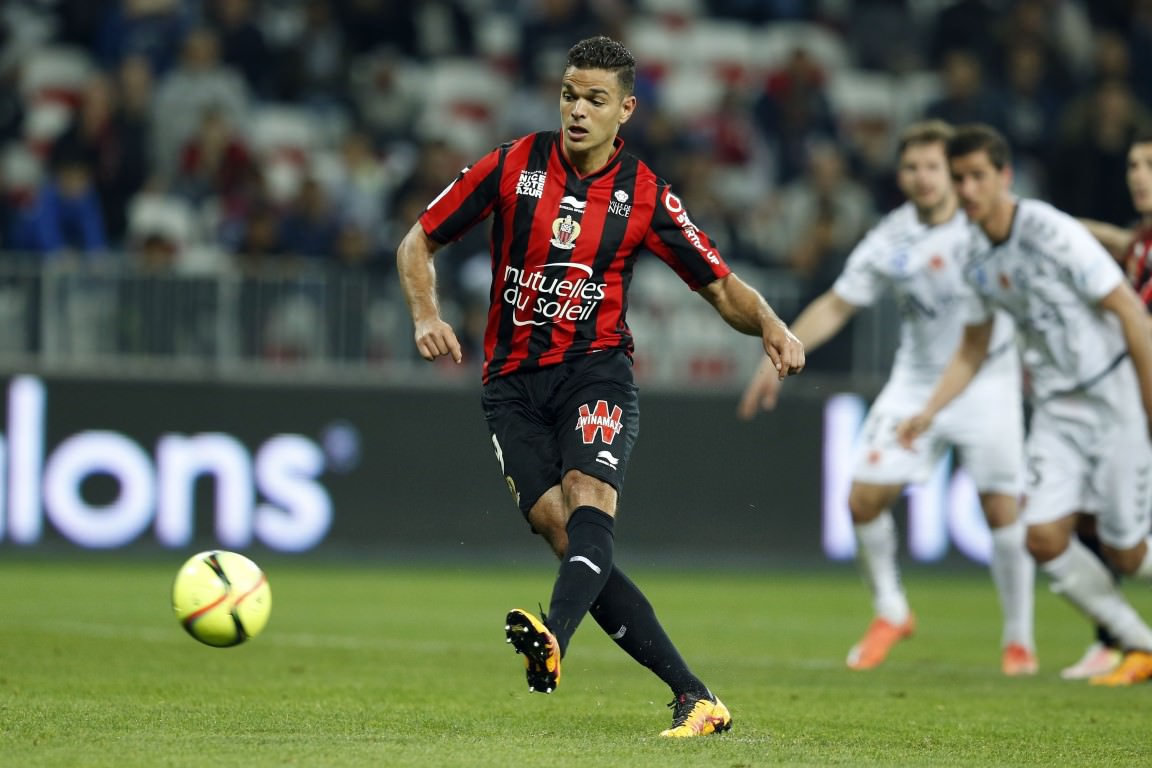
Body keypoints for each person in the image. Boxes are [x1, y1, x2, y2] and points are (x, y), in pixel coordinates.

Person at [395, 36, 805, 736]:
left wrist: (770, 323)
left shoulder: (645, 195)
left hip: (595, 372)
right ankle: (696, 696)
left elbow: (719, 285)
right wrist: (426, 315)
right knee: (562, 531)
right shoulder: (511, 165)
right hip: (510, 386)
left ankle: (554, 638)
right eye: (568, 95)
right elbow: (418, 241)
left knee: (590, 496)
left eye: (594, 99)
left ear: (626, 110)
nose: (577, 110)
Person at [738, 120, 1037, 675]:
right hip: (916, 382)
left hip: (987, 381)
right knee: (862, 499)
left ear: (954, 172)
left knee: (1001, 509)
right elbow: (837, 303)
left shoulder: (986, 225)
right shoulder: (890, 237)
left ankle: (1019, 641)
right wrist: (778, 348)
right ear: (899, 175)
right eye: (911, 167)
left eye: (933, 167)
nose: (923, 177)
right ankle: (892, 611)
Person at [896, 123, 1152, 686]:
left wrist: (1149, 405)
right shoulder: (973, 255)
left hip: (1112, 397)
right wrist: (930, 410)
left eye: (977, 177)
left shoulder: (1050, 231)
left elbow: (1130, 312)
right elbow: (973, 345)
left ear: (1004, 177)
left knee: (1128, 555)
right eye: (960, 178)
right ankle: (1139, 641)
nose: (967, 189)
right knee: (1041, 536)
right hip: (1057, 411)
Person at [1063, 129, 1152, 680]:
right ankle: (1119, 641)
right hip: (1129, 404)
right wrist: (1048, 225)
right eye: (1134, 165)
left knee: (1116, 537)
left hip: (1139, 403)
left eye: (1150, 165)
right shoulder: (1141, 242)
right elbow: (1116, 239)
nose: (1139, 175)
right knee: (1091, 522)